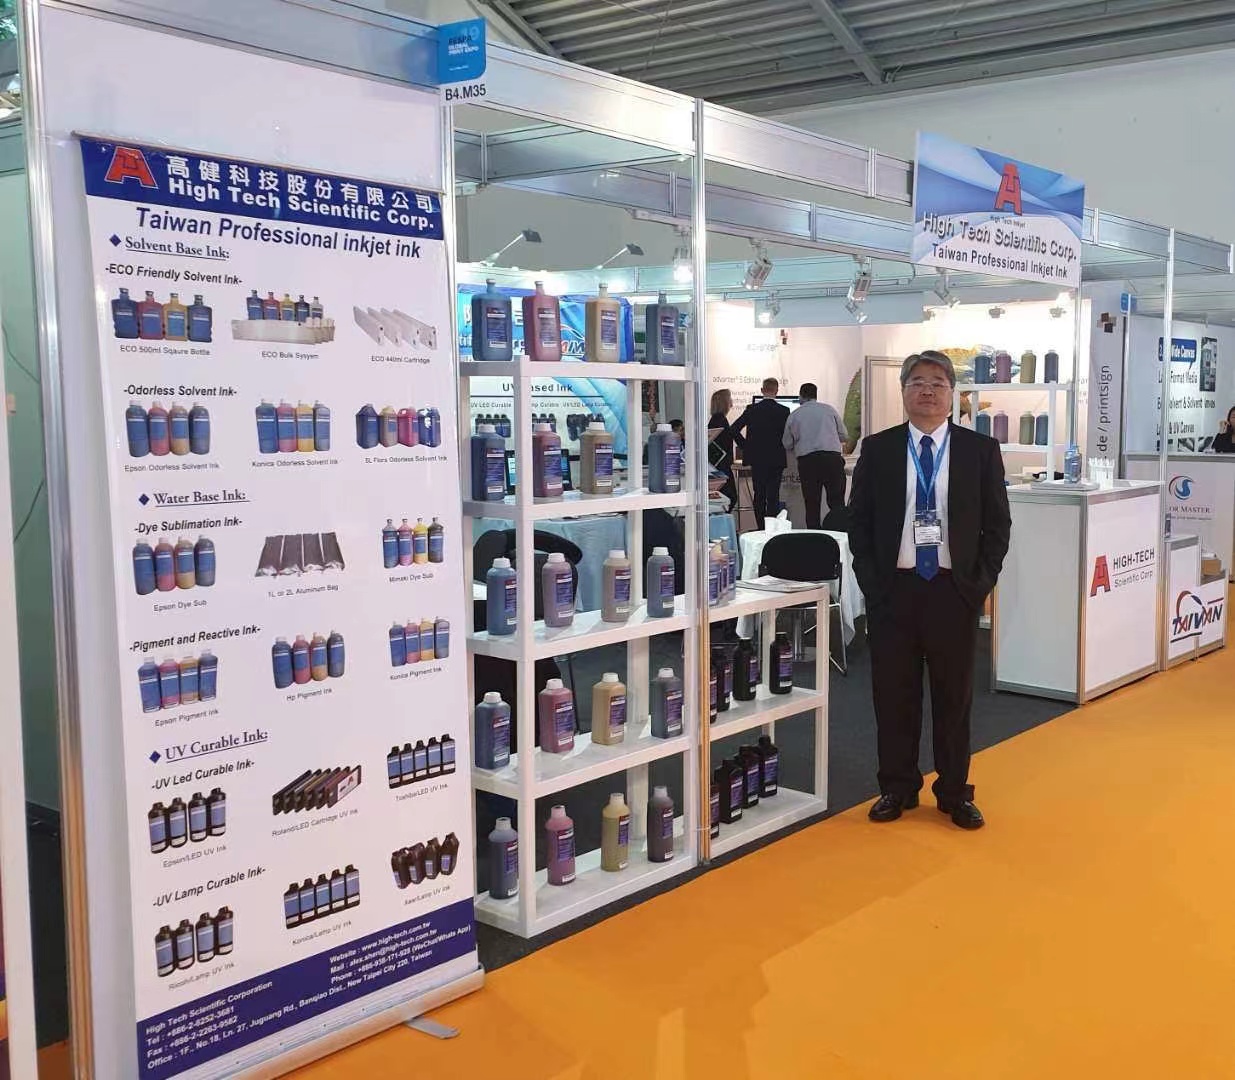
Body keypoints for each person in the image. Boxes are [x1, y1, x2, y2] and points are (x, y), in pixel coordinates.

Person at [848, 350, 1011, 831]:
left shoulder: (979, 451)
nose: (927, 390)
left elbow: (998, 526)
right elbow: (859, 523)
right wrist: (873, 585)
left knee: (953, 699)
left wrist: (977, 584)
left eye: (938, 383)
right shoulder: (878, 449)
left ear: (952, 394)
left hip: (951, 592)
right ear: (903, 391)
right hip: (893, 593)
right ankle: (897, 788)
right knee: (893, 697)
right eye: (917, 381)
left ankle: (954, 792)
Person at [782, 382, 848, 529]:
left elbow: (787, 443)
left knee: (812, 504)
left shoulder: (794, 415)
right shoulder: (829, 410)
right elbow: (844, 435)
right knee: (837, 503)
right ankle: (840, 534)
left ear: (801, 396)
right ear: (815, 395)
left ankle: (815, 536)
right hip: (832, 460)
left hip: (808, 462)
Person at [731, 377, 790, 526]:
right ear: (777, 391)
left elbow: (734, 429)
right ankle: (771, 528)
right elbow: (789, 435)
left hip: (757, 460)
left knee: (759, 494)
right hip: (776, 459)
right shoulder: (784, 411)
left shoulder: (752, 409)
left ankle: (760, 527)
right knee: (773, 496)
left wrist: (746, 447)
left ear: (762, 390)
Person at [707, 389, 744, 508]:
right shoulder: (720, 420)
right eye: (730, 399)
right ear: (725, 402)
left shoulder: (716, 419)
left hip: (718, 466)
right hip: (721, 467)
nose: (732, 402)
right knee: (730, 497)